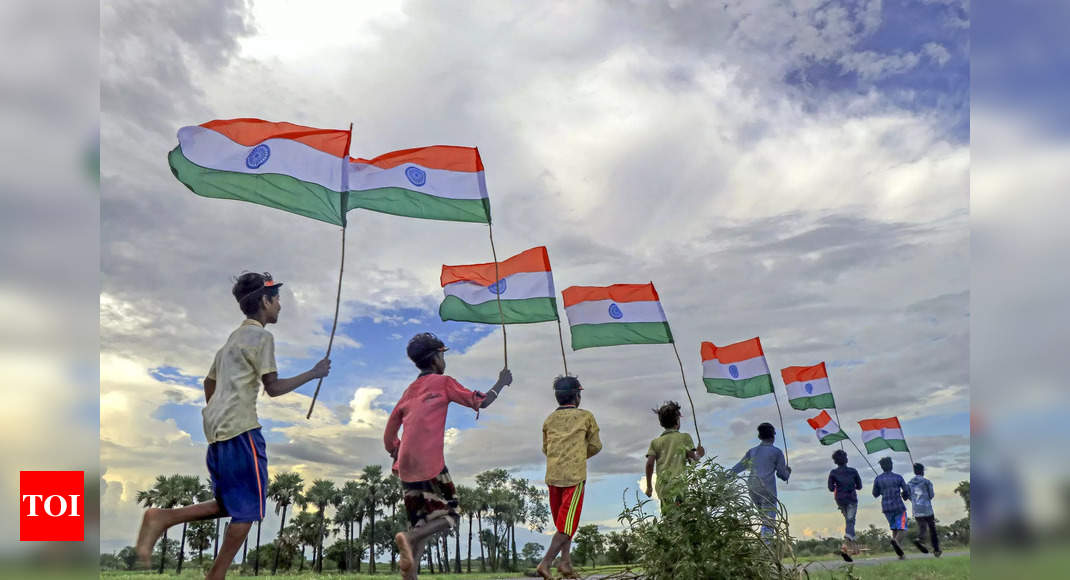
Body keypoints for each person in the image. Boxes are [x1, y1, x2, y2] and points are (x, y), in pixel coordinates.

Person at [134, 272, 331, 579]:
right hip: (241, 430)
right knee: (249, 510)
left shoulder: (230, 342)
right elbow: (274, 387)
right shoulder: (262, 337)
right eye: (276, 298)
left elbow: (208, 382)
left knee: (231, 503)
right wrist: (314, 372)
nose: (279, 304)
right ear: (264, 301)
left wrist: (217, 411)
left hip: (216, 431)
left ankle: (163, 517)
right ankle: (217, 575)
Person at [386, 332, 511, 580]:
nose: (444, 360)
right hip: (429, 463)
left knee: (421, 525)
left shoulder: (409, 390)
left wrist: (395, 449)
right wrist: (501, 383)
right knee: (451, 516)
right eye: (443, 355)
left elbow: (390, 431)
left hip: (406, 465)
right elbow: (481, 402)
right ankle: (407, 538)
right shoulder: (443, 383)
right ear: (435, 359)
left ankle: (409, 569)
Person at [536, 376, 602, 580]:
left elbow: (546, 448)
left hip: (553, 476)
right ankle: (545, 563)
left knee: (564, 523)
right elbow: (596, 445)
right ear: (577, 396)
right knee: (566, 526)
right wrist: (579, 454)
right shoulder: (586, 417)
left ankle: (566, 563)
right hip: (574, 477)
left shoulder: (549, 419)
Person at [731, 422, 791, 537]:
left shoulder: (752, 451)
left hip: (752, 489)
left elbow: (738, 468)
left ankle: (763, 544)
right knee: (769, 522)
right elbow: (782, 475)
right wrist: (788, 472)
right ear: (773, 436)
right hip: (767, 489)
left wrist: (723, 478)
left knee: (763, 518)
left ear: (759, 437)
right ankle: (765, 549)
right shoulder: (777, 452)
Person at [644, 401, 705, 510]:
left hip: (664, 488)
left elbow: (649, 465)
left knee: (669, 517)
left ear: (661, 423)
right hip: (679, 486)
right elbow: (693, 459)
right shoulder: (685, 437)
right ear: (677, 420)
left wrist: (649, 487)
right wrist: (700, 454)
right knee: (681, 516)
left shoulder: (655, 442)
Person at [872, 456, 912, 560]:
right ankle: (896, 542)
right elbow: (906, 491)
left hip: (886, 507)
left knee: (894, 529)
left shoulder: (878, 479)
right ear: (891, 465)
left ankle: (901, 555)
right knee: (902, 528)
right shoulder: (898, 477)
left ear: (881, 467)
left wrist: (882, 490)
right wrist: (905, 496)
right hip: (898, 506)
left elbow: (875, 494)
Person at [827, 449, 863, 561]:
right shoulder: (853, 471)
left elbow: (831, 488)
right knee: (851, 521)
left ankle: (851, 551)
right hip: (851, 499)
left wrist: (838, 486)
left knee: (849, 521)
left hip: (840, 500)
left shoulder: (833, 473)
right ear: (846, 459)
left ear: (835, 461)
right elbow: (859, 486)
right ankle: (845, 545)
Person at [908, 463, 941, 557]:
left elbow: (909, 496)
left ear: (914, 471)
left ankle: (919, 539)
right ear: (922, 471)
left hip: (917, 509)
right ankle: (936, 550)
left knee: (922, 527)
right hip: (927, 509)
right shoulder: (927, 482)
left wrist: (914, 501)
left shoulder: (909, 483)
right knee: (932, 529)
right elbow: (931, 495)